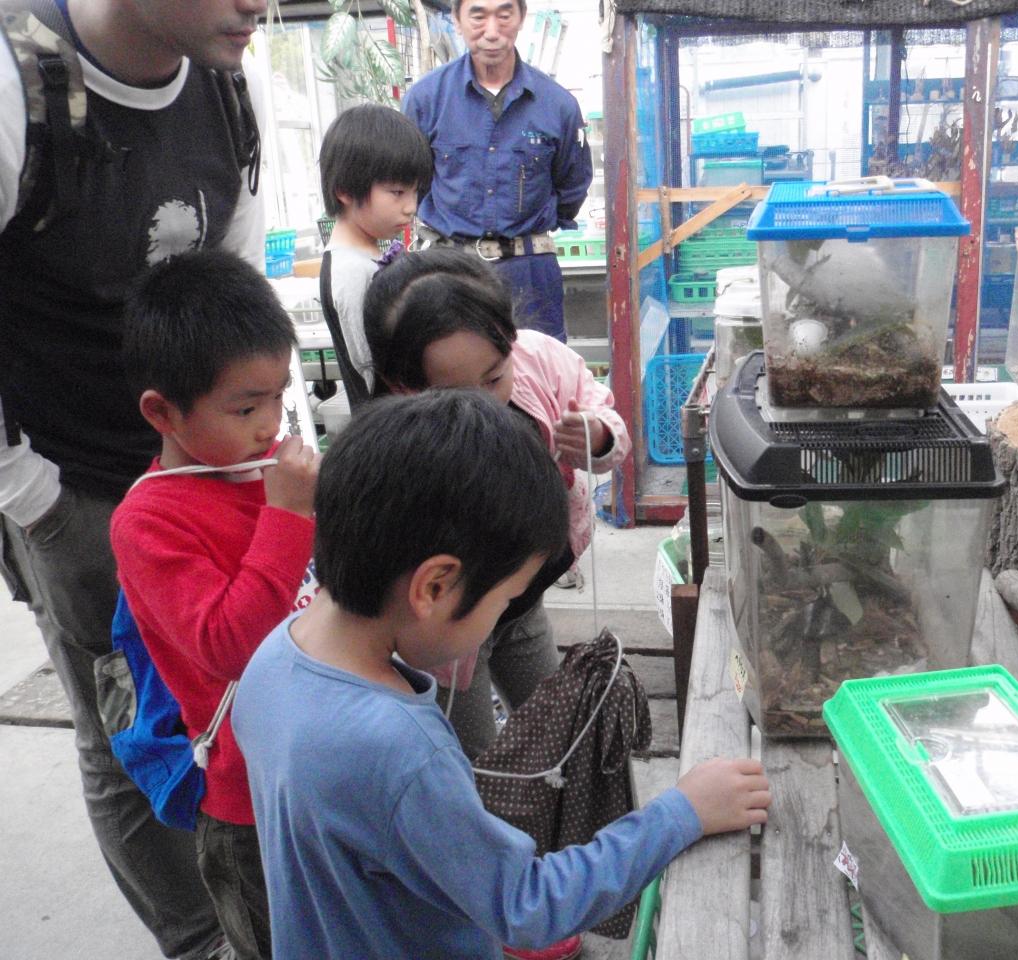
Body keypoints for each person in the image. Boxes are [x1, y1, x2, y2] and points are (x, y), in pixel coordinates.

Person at [232, 390, 771, 960]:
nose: (503, 615)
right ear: (434, 587)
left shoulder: (274, 657)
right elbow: (526, 905)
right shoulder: (399, 751)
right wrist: (681, 812)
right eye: (506, 600)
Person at [0, 2, 267, 957]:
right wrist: (32, 497)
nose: (260, 5)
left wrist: (250, 447)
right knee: (122, 725)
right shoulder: (18, 81)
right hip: (71, 488)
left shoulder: (227, 79)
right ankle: (199, 941)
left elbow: (236, 271)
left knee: (222, 686)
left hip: (202, 468)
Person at [110, 250, 320, 960]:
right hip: (249, 799)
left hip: (324, 761)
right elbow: (230, 646)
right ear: (162, 412)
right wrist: (288, 517)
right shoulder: (149, 522)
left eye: (279, 397)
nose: (271, 425)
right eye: (246, 407)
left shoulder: (263, 472)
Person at [363, 247, 631, 761]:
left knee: (555, 732)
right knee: (478, 760)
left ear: (510, 340)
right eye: (459, 395)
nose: (487, 405)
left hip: (523, 604)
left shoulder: (539, 361)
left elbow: (602, 411)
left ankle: (551, 798)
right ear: (404, 387)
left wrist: (596, 436)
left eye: (494, 378)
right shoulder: (400, 460)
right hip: (452, 641)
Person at [401, 0, 593, 342]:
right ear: (457, 19)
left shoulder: (558, 105)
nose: (492, 31)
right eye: (478, 15)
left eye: (504, 15)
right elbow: (412, 183)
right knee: (449, 369)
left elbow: (572, 188)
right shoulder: (425, 100)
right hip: (448, 273)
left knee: (535, 370)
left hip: (530, 275)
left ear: (521, 17)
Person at [317, 103, 433, 404]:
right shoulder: (353, 271)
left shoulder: (364, 258)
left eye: (415, 192)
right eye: (397, 193)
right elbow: (374, 373)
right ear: (344, 190)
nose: (411, 207)